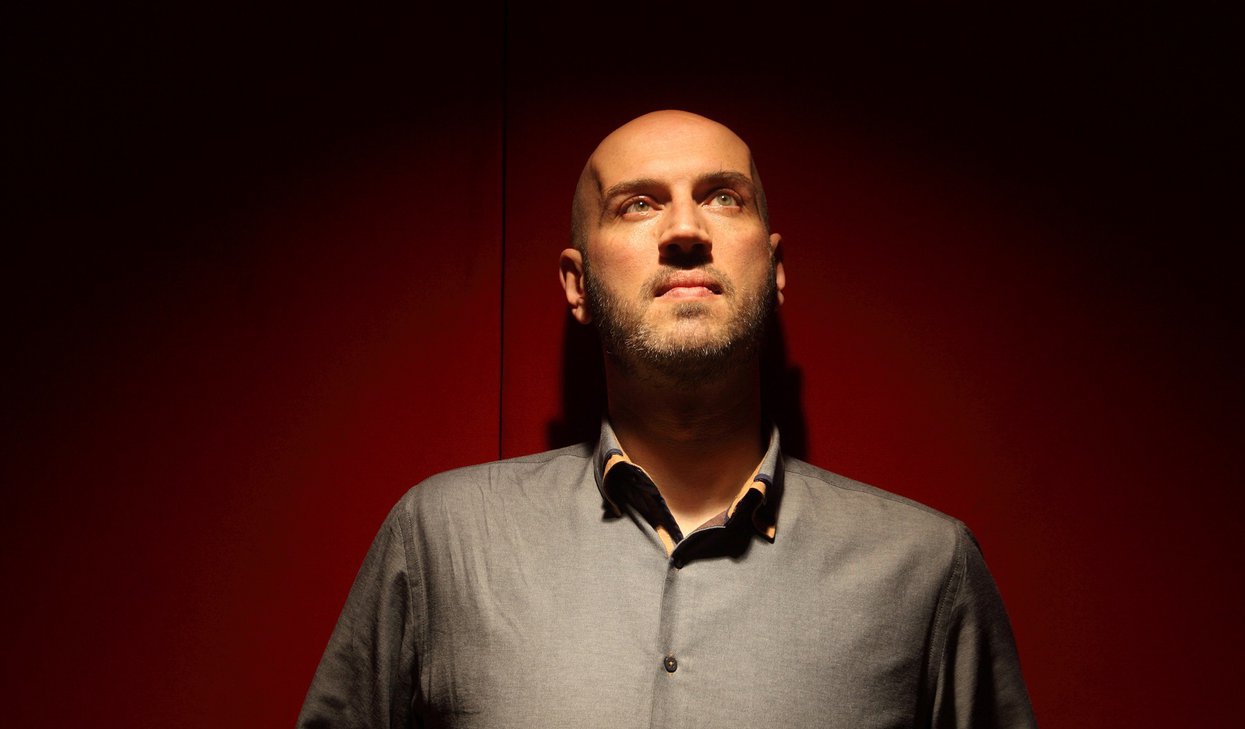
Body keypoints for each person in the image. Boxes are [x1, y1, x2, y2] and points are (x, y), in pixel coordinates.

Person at [298, 110, 1037, 728]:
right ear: (577, 283)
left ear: (775, 269)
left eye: (723, 197)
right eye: (638, 204)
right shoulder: (440, 541)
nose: (685, 229)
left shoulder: (925, 569)